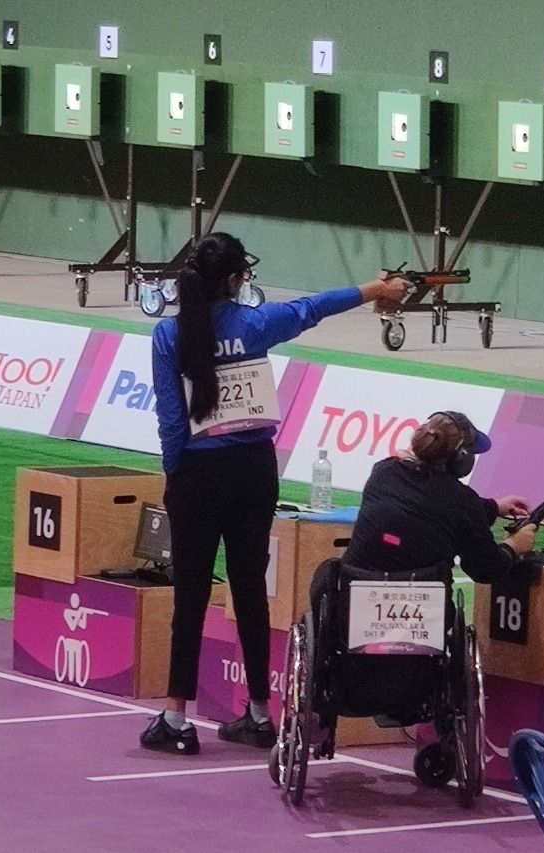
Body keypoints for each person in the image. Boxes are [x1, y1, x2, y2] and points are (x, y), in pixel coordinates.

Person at [140, 231, 407, 755]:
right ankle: (260, 713)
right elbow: (312, 308)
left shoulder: (168, 337)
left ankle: (176, 718)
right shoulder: (257, 324)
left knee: (190, 595)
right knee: (249, 589)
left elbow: (171, 421)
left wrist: (178, 480)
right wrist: (374, 289)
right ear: (237, 280)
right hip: (254, 471)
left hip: (196, 473)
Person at [308, 410, 538, 720]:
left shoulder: (383, 473)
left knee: (327, 573)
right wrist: (514, 546)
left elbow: (426, 505)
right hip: (422, 638)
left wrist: (493, 507)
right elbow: (486, 569)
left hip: (353, 624)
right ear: (461, 460)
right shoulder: (461, 501)